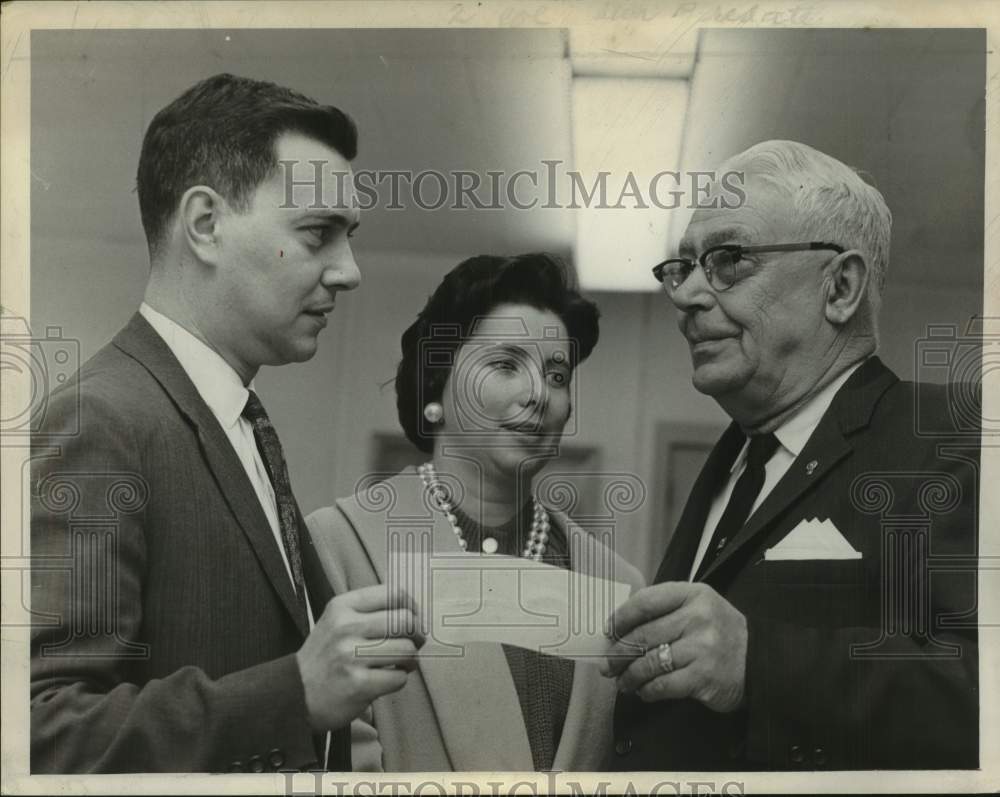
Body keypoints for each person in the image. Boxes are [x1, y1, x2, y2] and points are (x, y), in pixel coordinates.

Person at [30, 73, 423, 773]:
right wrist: (295, 693)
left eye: (350, 237)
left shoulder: (237, 418)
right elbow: (44, 729)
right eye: (319, 233)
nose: (350, 271)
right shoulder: (101, 419)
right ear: (206, 224)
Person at [604, 140, 979, 770]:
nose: (686, 294)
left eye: (729, 259)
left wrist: (758, 663)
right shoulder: (732, 462)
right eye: (684, 266)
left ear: (841, 287)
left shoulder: (951, 436)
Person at [308, 253, 644, 771]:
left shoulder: (617, 585)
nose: (538, 394)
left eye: (557, 375)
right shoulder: (338, 546)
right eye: (506, 365)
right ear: (437, 386)